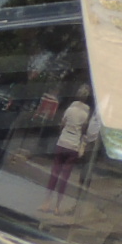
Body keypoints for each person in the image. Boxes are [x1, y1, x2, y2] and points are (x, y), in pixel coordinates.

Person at [40, 86, 92, 215]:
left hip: (63, 142)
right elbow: (84, 130)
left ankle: (46, 203)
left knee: (54, 173)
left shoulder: (69, 110)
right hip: (73, 146)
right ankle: (57, 206)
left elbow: (62, 124)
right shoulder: (85, 114)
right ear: (86, 98)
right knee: (64, 178)